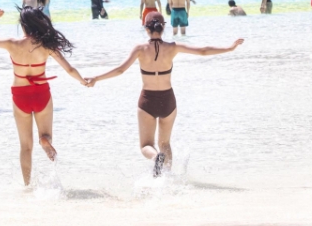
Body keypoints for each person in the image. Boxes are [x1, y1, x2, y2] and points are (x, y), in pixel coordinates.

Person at [89, 11, 242, 176]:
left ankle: (156, 157)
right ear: (163, 28)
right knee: (165, 143)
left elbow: (120, 70)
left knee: (146, 145)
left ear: (146, 28)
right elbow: (203, 51)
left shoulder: (140, 49)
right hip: (168, 100)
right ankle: (167, 178)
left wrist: (96, 78)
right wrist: (229, 48)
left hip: (147, 101)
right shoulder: (172, 47)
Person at [0, 6, 88, 186]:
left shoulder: (12, 43)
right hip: (41, 94)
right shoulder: (46, 45)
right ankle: (45, 140)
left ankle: (27, 185)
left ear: (23, 25)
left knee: (26, 147)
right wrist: (83, 80)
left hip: (20, 96)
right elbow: (69, 69)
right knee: (46, 134)